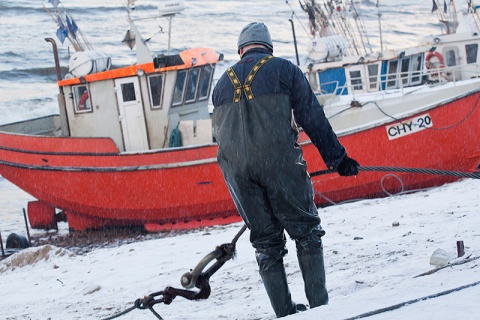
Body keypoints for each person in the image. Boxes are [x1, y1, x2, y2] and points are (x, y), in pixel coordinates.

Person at [212, 22, 359, 318]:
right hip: (279, 165)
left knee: (266, 244)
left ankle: (285, 312)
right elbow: (312, 117)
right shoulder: (284, 70)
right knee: (306, 233)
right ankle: (319, 309)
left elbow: (219, 136)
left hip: (236, 172)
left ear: (241, 50)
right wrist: (338, 160)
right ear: (268, 48)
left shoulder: (221, 85)